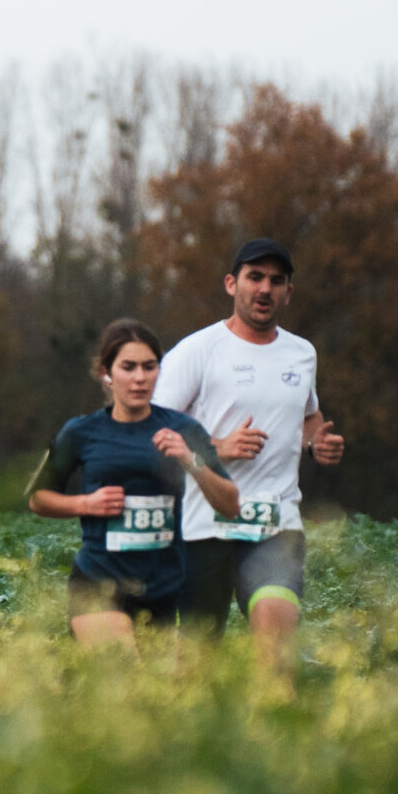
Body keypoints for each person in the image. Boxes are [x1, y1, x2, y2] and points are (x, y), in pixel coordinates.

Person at [152, 238, 346, 663]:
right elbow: (151, 428)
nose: (265, 289)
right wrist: (218, 447)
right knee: (195, 667)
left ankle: (277, 726)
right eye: (254, 277)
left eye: (277, 281)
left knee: (276, 654)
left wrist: (318, 444)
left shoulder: (301, 354)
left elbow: (309, 416)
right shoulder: (197, 351)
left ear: (288, 293)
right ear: (230, 284)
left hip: (276, 523)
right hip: (205, 528)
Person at [28, 319, 240, 646]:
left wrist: (189, 459)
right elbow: (37, 499)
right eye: (128, 367)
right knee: (125, 673)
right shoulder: (80, 432)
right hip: (97, 583)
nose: (140, 377)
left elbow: (230, 504)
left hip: (162, 591)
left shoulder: (184, 429)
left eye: (149, 366)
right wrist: (85, 504)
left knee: (147, 695)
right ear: (106, 373)